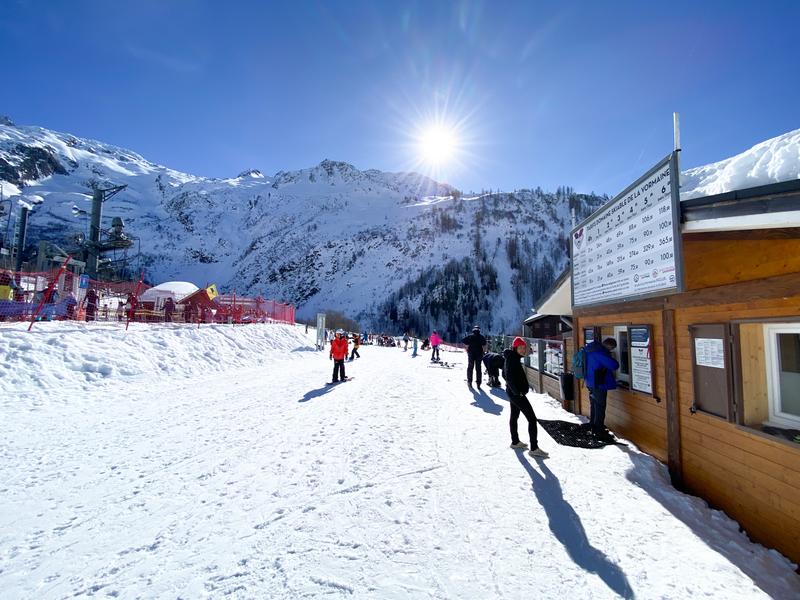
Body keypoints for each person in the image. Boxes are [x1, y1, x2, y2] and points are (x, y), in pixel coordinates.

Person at [503, 337, 549, 458]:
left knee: (514, 416)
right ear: (515, 348)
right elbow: (508, 377)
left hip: (513, 393)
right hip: (516, 395)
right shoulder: (512, 359)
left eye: (524, 348)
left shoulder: (512, 357)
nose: (523, 350)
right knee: (532, 419)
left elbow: (505, 375)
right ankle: (534, 448)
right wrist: (517, 392)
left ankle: (515, 441)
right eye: (521, 348)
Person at [584, 337, 620, 435]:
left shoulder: (590, 349)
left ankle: (593, 424)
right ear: (609, 346)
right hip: (598, 383)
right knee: (600, 406)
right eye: (612, 348)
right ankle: (598, 429)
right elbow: (614, 365)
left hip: (590, 381)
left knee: (594, 404)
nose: (611, 350)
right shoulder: (600, 352)